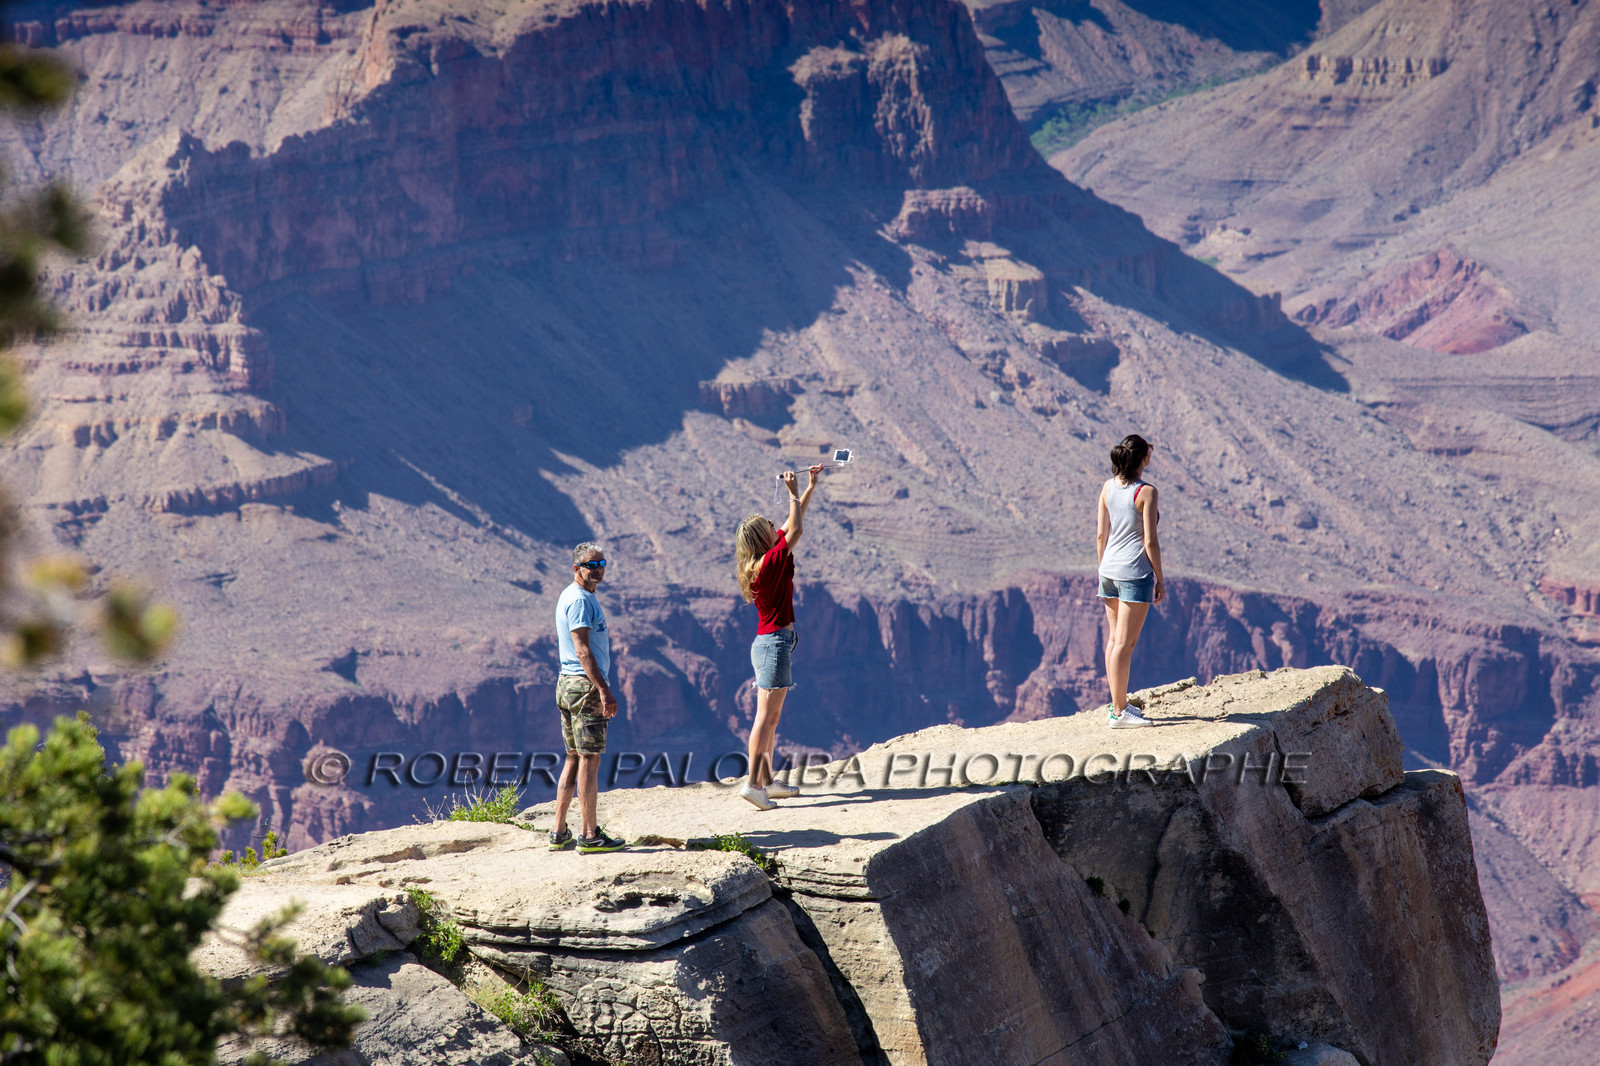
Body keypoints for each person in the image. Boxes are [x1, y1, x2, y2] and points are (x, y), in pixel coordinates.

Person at [732, 463, 825, 809]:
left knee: (772, 718)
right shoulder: (769, 563)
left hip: (773, 644)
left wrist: (809, 489)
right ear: (762, 537)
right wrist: (791, 492)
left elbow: (791, 523)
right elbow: (796, 529)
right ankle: (753, 783)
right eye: (770, 526)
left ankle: (767, 781)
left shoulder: (765, 559)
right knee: (764, 718)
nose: (776, 526)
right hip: (773, 645)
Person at [550, 541, 627, 852]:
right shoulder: (581, 600)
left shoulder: (570, 595)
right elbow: (583, 650)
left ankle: (558, 831)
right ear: (576, 568)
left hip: (566, 684)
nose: (597, 569)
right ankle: (589, 835)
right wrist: (604, 690)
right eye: (590, 565)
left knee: (573, 757)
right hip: (585, 687)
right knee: (590, 759)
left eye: (601, 563)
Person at [1096, 434, 1164, 728]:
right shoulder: (1146, 492)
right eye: (1149, 449)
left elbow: (1101, 534)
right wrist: (1160, 578)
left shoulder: (1107, 487)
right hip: (1134, 572)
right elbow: (1150, 541)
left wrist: (1104, 568)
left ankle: (1117, 706)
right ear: (1142, 458)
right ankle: (1120, 712)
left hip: (1109, 569)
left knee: (1114, 641)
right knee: (1125, 643)